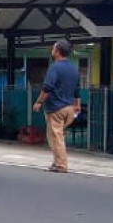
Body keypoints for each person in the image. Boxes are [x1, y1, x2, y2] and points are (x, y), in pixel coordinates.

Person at [33, 39, 82, 173]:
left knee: (56, 137)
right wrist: (77, 104)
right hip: (70, 108)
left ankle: (61, 165)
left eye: (53, 48)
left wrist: (38, 102)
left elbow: (47, 87)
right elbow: (77, 89)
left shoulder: (55, 67)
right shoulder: (74, 68)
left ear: (58, 51)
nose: (52, 50)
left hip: (56, 108)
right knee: (58, 136)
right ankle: (56, 162)